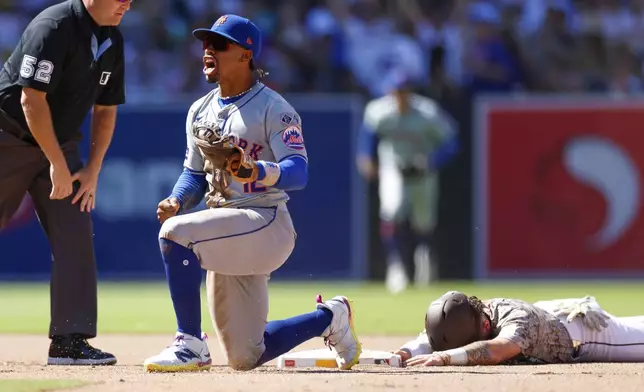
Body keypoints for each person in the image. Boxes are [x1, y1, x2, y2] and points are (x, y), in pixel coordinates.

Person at [142, 14, 362, 372]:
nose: (207, 50)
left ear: (245, 54)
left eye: (219, 44)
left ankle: (190, 343)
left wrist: (255, 170)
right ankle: (329, 318)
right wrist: (178, 199)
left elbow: (299, 171)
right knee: (245, 356)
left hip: (265, 222)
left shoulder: (274, 108)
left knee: (175, 234)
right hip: (225, 225)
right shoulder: (199, 109)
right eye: (205, 43)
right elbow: (194, 174)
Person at [0, 0, 130, 366]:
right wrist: (57, 163)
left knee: (74, 232)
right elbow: (30, 99)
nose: (127, 3)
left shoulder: (112, 40)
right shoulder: (54, 25)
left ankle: (69, 341)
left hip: (60, 142)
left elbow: (106, 109)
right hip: (8, 135)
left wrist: (92, 169)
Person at [356, 72, 459, 294]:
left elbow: (451, 141)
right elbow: (368, 137)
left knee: (424, 223)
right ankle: (397, 268)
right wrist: (366, 157)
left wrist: (433, 161)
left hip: (422, 170)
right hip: (394, 168)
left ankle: (425, 268)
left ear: (410, 92)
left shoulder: (427, 112)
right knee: (392, 212)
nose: (400, 96)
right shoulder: (379, 111)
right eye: (396, 92)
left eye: (403, 91)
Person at [393, 291, 644, 366]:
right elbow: (434, 336)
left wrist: (447, 357)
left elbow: (499, 349)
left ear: (485, 325)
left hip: (582, 331)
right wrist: (403, 353)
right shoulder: (473, 315)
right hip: (548, 314)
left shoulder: (517, 321)